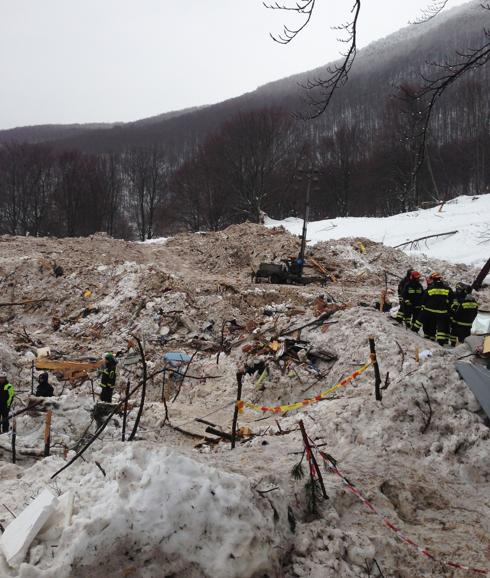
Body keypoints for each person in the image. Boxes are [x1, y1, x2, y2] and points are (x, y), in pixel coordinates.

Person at [412, 272, 453, 345]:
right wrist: (447, 307)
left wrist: (422, 305)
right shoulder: (448, 289)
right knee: (441, 326)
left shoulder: (430, 288)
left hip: (429, 310)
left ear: (433, 279)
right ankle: (441, 341)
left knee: (421, 319)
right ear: (440, 278)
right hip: (441, 312)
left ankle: (414, 330)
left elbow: (424, 298)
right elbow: (452, 299)